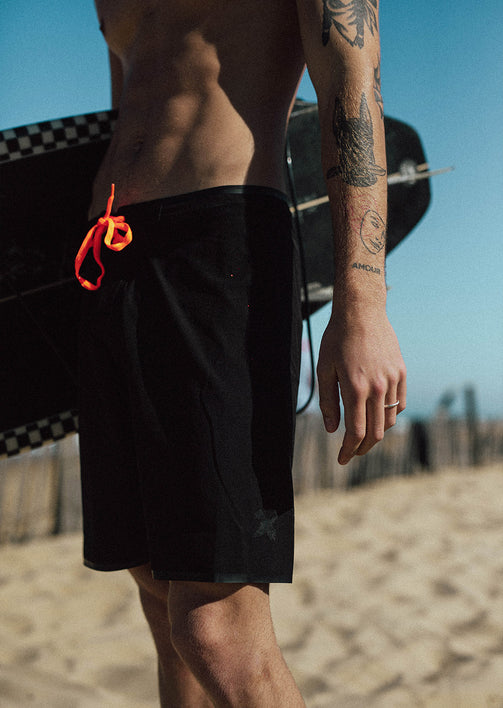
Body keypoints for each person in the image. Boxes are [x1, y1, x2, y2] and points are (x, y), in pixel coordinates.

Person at [76, 0, 406, 705]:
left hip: (221, 242)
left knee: (216, 626)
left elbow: (351, 85)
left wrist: (363, 304)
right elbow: (130, 109)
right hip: (108, 255)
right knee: (154, 584)